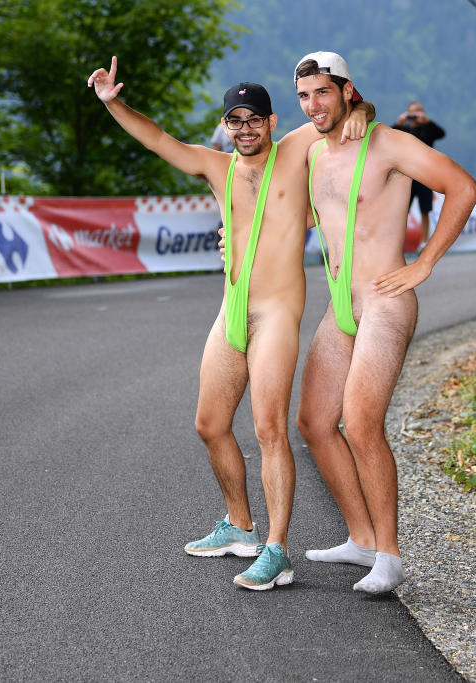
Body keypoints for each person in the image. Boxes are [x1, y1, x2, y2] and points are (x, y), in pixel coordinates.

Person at [87, 56, 373, 591]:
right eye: (235, 121)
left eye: (255, 120)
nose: (245, 130)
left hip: (277, 314)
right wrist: (112, 102)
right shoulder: (216, 167)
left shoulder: (294, 152)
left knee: (268, 430)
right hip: (232, 308)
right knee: (210, 424)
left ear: (270, 122)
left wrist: (363, 111)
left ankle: (277, 550)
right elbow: (157, 139)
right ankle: (239, 525)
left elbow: (337, 117)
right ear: (226, 127)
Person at [292, 52, 476, 594]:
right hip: (340, 305)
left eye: (323, 93)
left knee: (361, 421)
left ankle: (391, 557)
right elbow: (304, 215)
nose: (313, 105)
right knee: (313, 422)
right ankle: (361, 539)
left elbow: (463, 188)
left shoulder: (389, 144)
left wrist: (423, 263)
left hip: (385, 299)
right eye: (304, 96)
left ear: (347, 90)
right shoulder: (315, 154)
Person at [393, 101, 445, 249]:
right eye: (412, 113)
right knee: (402, 211)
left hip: (424, 176)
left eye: (418, 112)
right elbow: (387, 137)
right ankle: (398, 242)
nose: (414, 116)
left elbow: (441, 134)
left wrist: (427, 122)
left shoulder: (427, 129)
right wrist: (399, 123)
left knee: (425, 210)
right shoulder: (402, 129)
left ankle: (424, 241)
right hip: (406, 177)